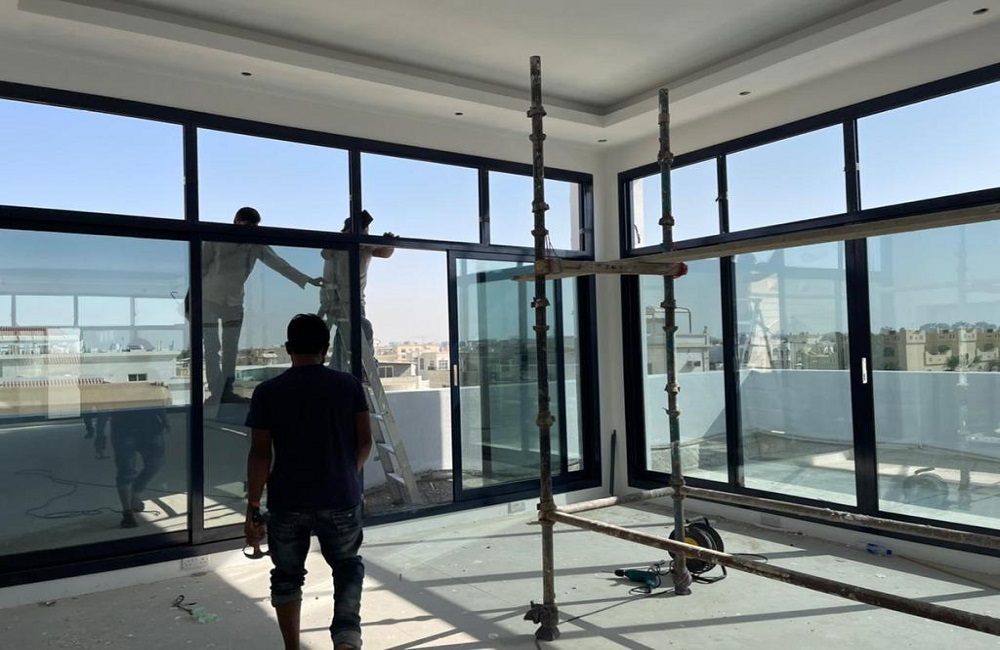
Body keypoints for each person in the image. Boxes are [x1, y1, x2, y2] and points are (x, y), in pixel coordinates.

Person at [245, 313, 373, 650]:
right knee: (347, 568)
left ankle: (292, 647)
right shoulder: (348, 385)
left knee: (287, 577)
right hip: (340, 498)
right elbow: (365, 442)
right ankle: (346, 641)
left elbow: (260, 454)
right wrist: (347, 472)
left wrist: (253, 506)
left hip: (287, 501)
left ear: (288, 348)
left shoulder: (268, 392)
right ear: (325, 349)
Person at [200, 207, 323, 404]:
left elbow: (278, 263)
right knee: (212, 347)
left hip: (234, 301)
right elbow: (200, 266)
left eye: (254, 227)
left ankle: (226, 391)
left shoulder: (255, 244)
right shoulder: (216, 239)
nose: (251, 231)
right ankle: (217, 391)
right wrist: (192, 298)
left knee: (231, 349)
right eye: (248, 226)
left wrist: (306, 279)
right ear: (236, 222)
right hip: (209, 298)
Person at [318, 210, 395, 370]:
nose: (367, 234)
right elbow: (324, 253)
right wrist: (348, 239)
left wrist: (389, 243)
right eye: (365, 231)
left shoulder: (366, 247)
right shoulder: (337, 245)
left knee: (344, 338)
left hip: (355, 300)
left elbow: (385, 253)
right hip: (336, 300)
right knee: (362, 329)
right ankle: (366, 368)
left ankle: (337, 369)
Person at [110, 407, 169, 528]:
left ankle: (132, 499)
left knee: (153, 464)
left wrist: (164, 420)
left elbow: (157, 400)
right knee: (127, 472)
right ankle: (128, 509)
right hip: (133, 427)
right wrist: (164, 420)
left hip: (137, 427)